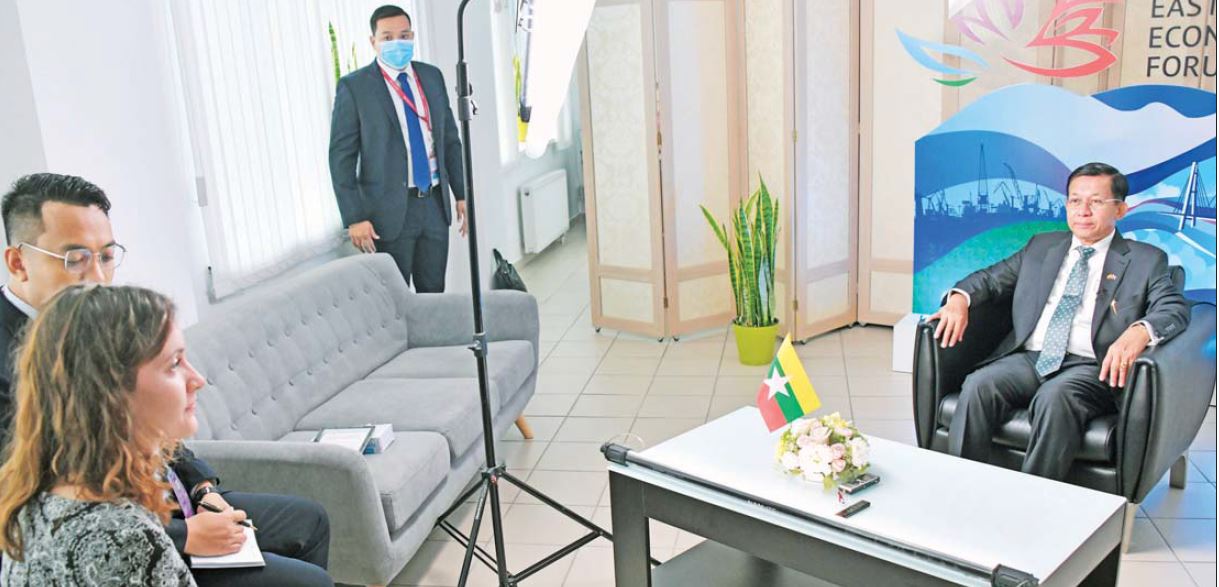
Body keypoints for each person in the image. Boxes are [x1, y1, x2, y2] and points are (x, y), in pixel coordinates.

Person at [0, 173, 333, 586]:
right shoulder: (47, 352)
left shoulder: (101, 321)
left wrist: (203, 488)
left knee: (307, 521)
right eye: (76, 259)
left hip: (153, 497)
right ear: (18, 262)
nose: (98, 277)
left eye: (106, 256)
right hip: (127, 523)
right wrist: (183, 534)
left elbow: (150, 419)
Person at [930, 162, 1190, 481]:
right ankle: (959, 486)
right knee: (978, 385)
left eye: (1096, 201)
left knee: (1055, 398)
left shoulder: (1146, 260)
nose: (1083, 211)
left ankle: (1035, 499)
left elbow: (1173, 308)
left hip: (1091, 366)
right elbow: (990, 280)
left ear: (1120, 210)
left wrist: (1139, 331)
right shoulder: (1041, 247)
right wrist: (959, 298)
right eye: (1075, 200)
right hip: (1031, 358)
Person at [0, 285, 199, 585]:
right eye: (174, 364)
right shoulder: (124, 541)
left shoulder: (32, 504)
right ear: (111, 392)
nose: (197, 379)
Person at [329, 4, 468, 292]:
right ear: (373, 41)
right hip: (387, 212)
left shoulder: (431, 77)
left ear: (412, 36)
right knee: (395, 298)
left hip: (433, 204)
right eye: (387, 37)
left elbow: (449, 140)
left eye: (404, 36)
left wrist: (462, 193)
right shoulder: (355, 87)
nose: (397, 43)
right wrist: (354, 218)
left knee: (434, 294)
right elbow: (341, 158)